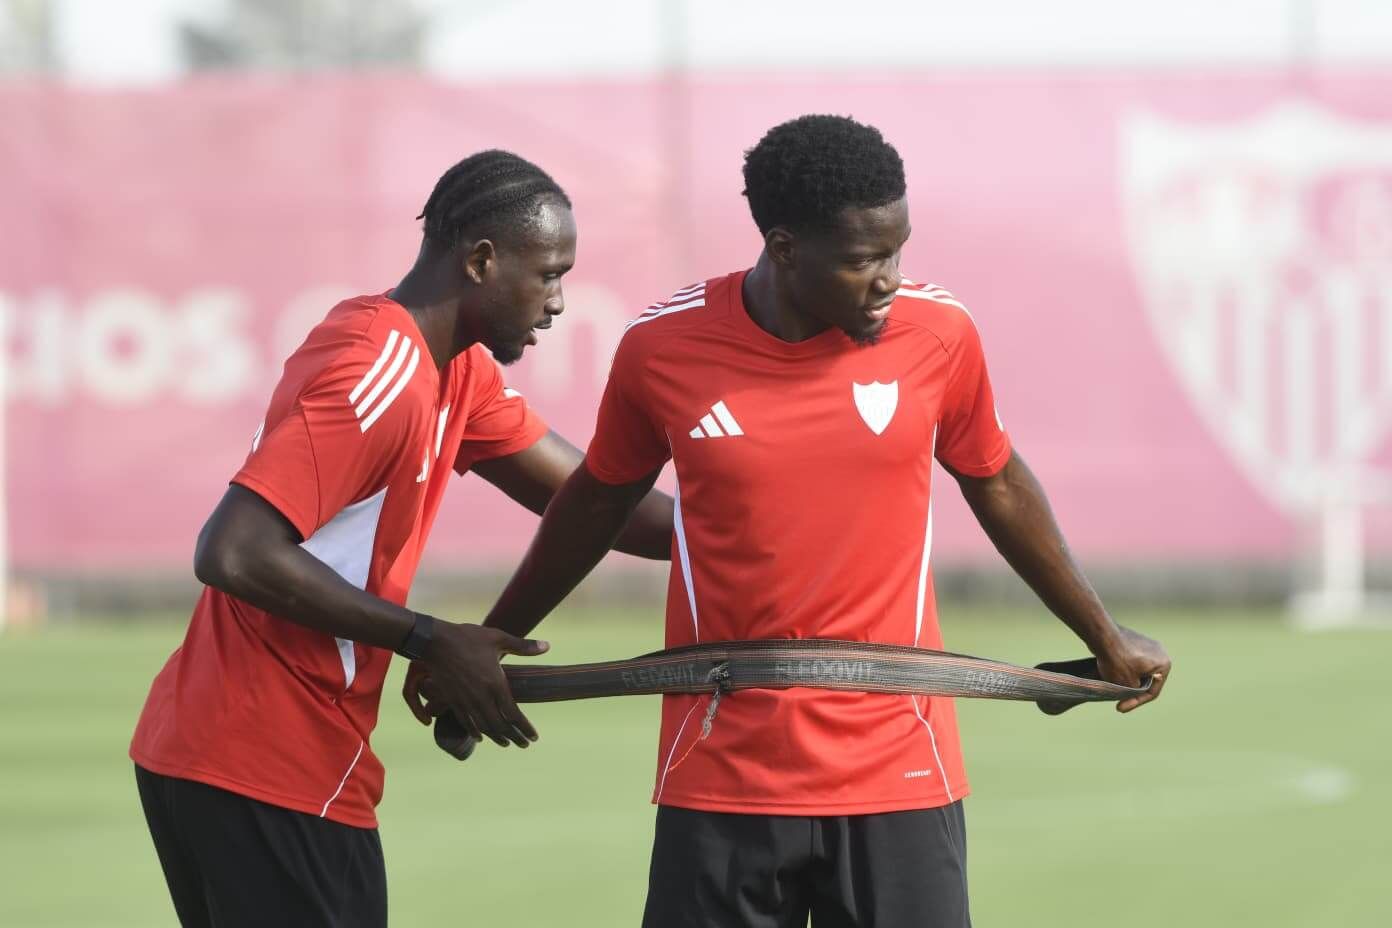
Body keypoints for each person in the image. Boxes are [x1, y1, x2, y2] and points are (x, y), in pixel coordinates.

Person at [465, 116, 1172, 927]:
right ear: (785, 247)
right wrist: (496, 635)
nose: (889, 281)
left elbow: (999, 485)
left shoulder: (940, 334)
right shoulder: (662, 347)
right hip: (721, 769)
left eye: (898, 252)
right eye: (864, 259)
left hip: (899, 766)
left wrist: (1104, 632)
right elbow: (596, 500)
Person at [129, 149, 674, 928]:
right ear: (482, 260)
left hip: (244, 759)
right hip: (264, 759)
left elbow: (597, 503)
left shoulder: (455, 372)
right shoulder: (377, 371)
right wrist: (429, 639)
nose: (558, 302)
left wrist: (754, 523)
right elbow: (232, 552)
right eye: (549, 273)